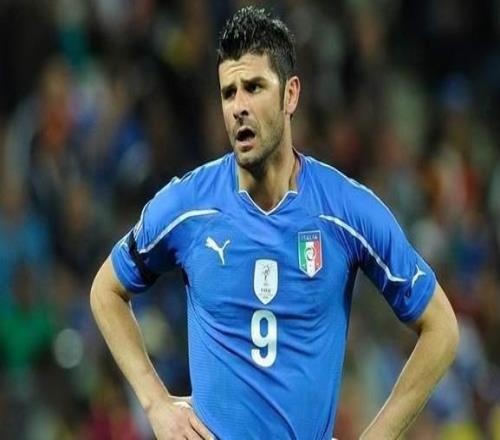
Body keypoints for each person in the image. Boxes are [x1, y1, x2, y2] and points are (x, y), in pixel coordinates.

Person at [90, 6, 459, 439]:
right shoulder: (188, 207)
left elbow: (441, 328)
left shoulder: (346, 211)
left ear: (290, 95)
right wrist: (156, 402)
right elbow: (105, 290)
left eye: (254, 87)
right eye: (228, 93)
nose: (239, 107)